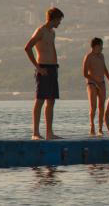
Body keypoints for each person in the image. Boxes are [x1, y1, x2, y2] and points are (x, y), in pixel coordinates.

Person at [25, 7, 64, 140]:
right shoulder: (40, 31)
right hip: (43, 67)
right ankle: (35, 132)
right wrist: (38, 67)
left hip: (53, 68)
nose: (60, 23)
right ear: (53, 19)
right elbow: (27, 47)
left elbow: (52, 49)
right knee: (40, 100)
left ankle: (49, 133)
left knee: (51, 101)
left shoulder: (52, 32)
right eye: (59, 20)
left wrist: (56, 66)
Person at [83, 37, 109, 136]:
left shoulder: (101, 56)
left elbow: (104, 68)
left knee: (102, 106)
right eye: (100, 46)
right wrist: (96, 82)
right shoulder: (89, 56)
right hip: (92, 83)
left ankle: (100, 128)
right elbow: (85, 73)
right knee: (93, 106)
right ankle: (92, 126)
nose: (102, 48)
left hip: (102, 82)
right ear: (95, 46)